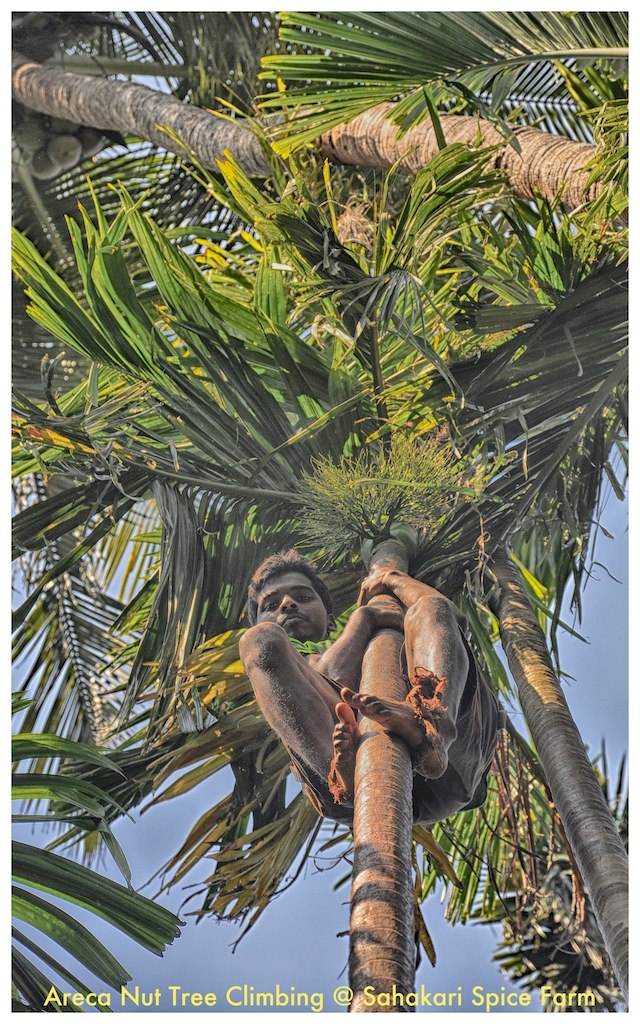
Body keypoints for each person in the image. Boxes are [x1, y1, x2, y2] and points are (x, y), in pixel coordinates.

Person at [239, 549, 502, 824]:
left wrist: (391, 578)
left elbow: (448, 619)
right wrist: (363, 618)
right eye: (270, 605)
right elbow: (335, 678)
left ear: (330, 620)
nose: (288, 604)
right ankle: (342, 769)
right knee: (259, 641)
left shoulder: (363, 634)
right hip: (345, 791)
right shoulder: (292, 666)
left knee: (429, 607)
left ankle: (431, 731)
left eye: (303, 597)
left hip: (454, 764)